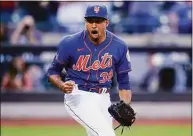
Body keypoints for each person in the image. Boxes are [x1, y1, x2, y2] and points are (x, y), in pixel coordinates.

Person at [47, 4, 132, 136]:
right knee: (106, 134)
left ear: (106, 23)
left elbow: (124, 82)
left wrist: (125, 104)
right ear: (85, 22)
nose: (93, 25)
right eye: (90, 21)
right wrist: (61, 84)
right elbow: (52, 72)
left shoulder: (119, 46)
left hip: (104, 98)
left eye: (98, 21)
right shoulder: (70, 43)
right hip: (78, 96)